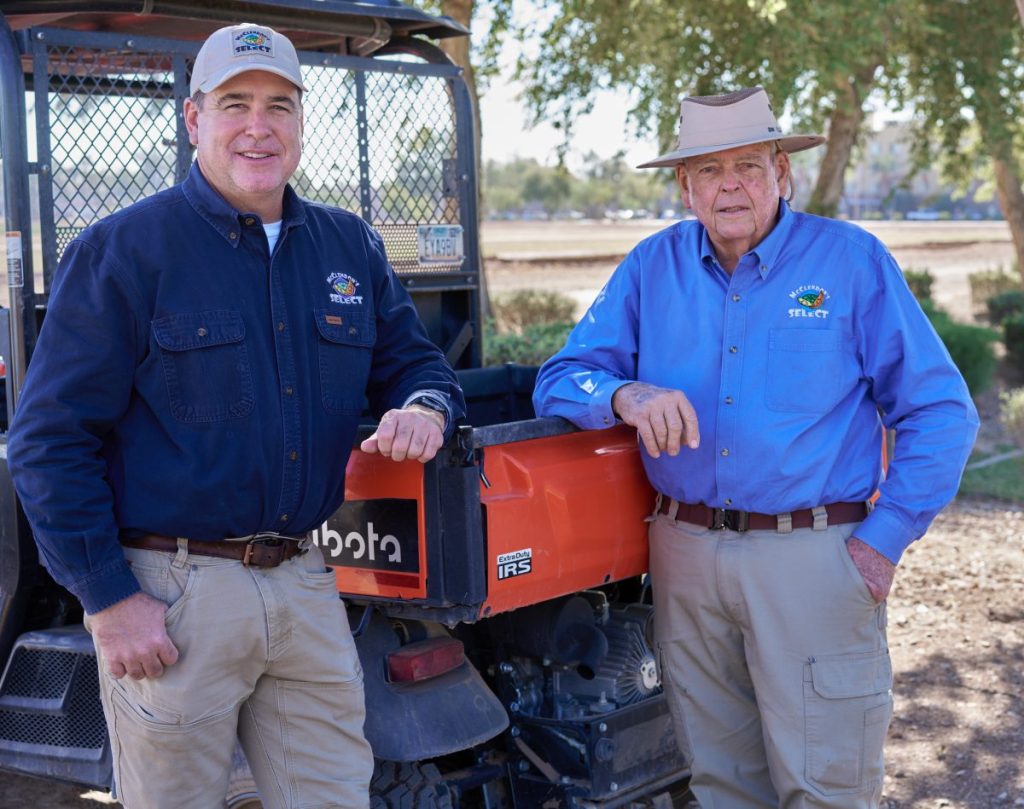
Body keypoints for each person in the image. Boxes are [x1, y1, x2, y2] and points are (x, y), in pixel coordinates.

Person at [7, 22, 464, 809]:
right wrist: (109, 597)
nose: (259, 126)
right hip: (175, 593)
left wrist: (427, 405)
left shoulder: (348, 246)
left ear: (299, 119)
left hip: (307, 584)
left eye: (279, 105)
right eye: (235, 103)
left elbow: (417, 365)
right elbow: (49, 440)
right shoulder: (124, 252)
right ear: (194, 119)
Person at [533, 86, 979, 809]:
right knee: (720, 786)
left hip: (815, 559)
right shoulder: (652, 268)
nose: (730, 184)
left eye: (748, 163)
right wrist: (623, 395)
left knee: (824, 788)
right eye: (708, 169)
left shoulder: (851, 263)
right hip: (685, 555)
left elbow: (939, 410)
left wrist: (884, 538)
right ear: (685, 186)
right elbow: (560, 376)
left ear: (783, 172)